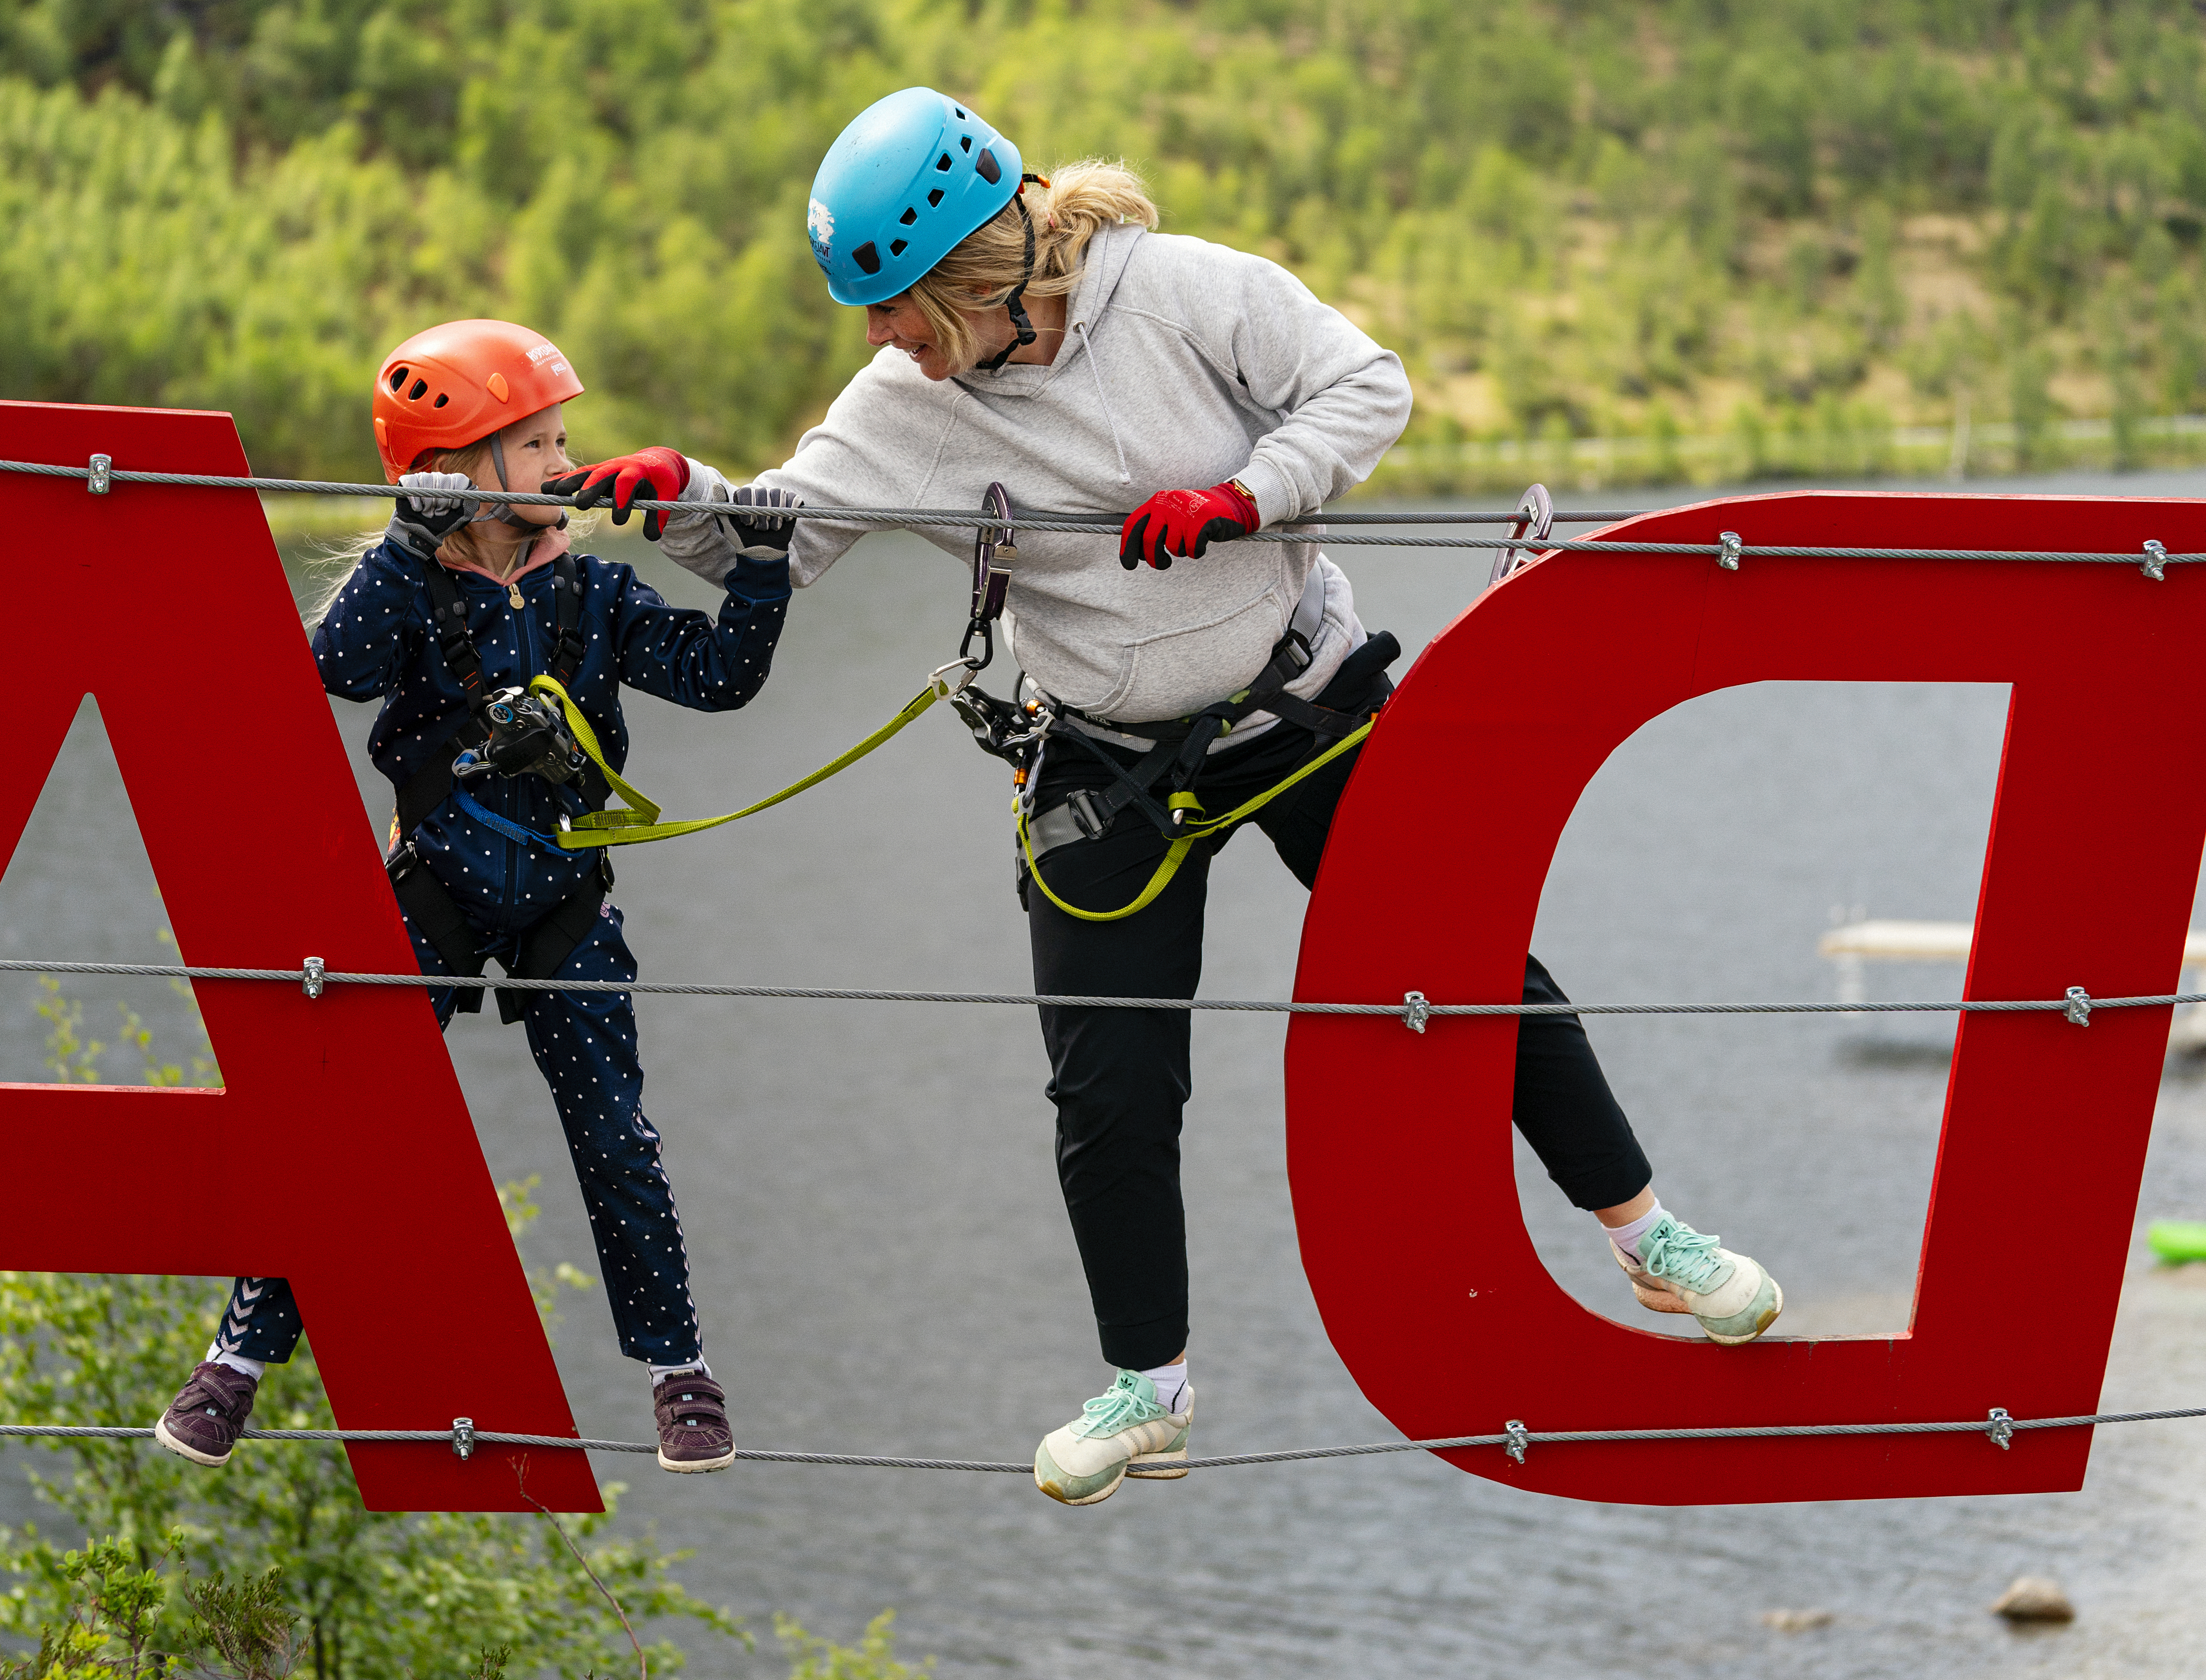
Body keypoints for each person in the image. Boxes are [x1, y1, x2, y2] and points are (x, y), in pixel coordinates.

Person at [566, 89, 1784, 1508]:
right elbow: (781, 536)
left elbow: (1365, 386)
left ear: (983, 277)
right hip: (1103, 762)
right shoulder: (911, 404)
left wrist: (1248, 495)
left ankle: (1650, 1235)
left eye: (898, 305)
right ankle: (1150, 1392)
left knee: (1462, 960)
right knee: (1112, 1088)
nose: (880, 339)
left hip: (1300, 703)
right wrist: (685, 495)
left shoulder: (1182, 292)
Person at [154, 319, 797, 1475]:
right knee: (347, 1117)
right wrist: (410, 546)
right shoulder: (404, 592)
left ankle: (679, 1370)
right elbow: (330, 675)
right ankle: (241, 1355)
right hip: (432, 890)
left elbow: (720, 677)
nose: (565, 465)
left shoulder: (594, 593)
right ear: (455, 471)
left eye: (562, 439)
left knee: (615, 1135)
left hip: (567, 902)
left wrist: (762, 569)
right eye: (538, 445)